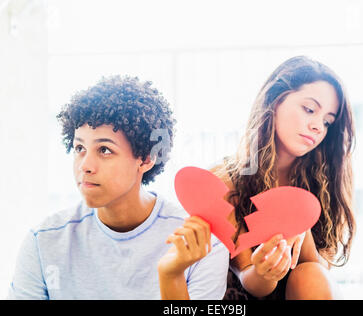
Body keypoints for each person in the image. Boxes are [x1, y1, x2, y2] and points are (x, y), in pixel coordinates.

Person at [8, 75, 229, 300]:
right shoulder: (43, 241)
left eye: (104, 150)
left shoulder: (202, 245)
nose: (85, 166)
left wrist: (171, 277)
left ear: (145, 159)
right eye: (79, 148)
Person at [211, 56, 355, 300]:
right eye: (309, 109)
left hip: (306, 289)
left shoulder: (323, 182)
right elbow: (248, 279)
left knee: (311, 274)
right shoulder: (226, 180)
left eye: (328, 121)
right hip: (245, 294)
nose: (318, 126)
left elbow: (320, 271)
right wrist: (266, 271)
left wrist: (300, 225)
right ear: (274, 101)